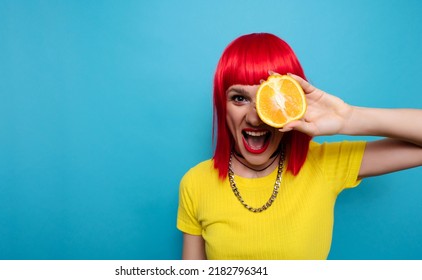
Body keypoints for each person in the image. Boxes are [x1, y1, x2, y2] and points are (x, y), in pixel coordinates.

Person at [176, 33, 422, 260]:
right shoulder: (196, 183)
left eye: (269, 99)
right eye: (239, 98)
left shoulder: (323, 165)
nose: (254, 118)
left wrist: (348, 117)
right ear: (223, 105)